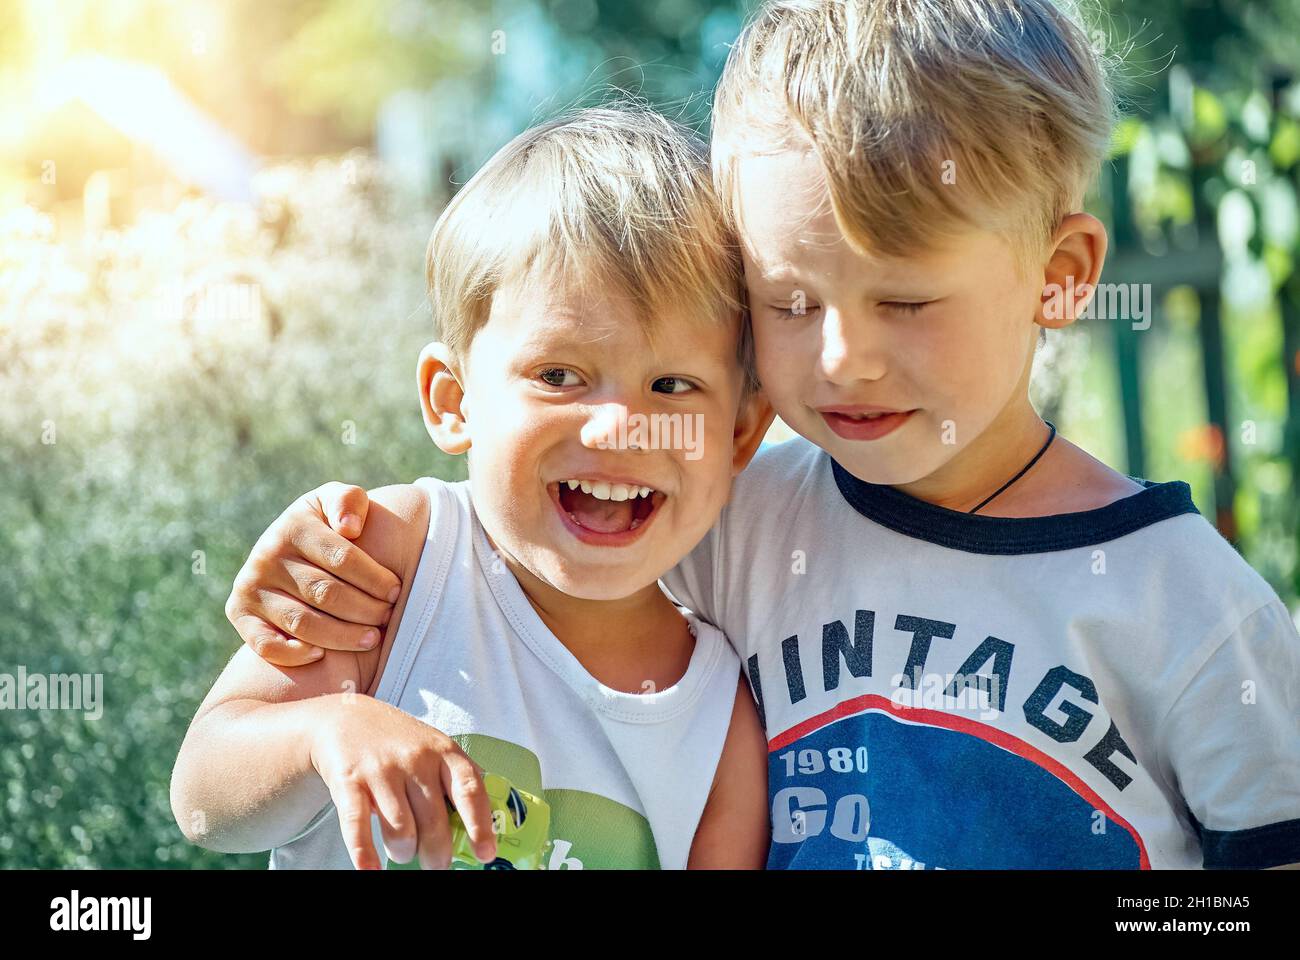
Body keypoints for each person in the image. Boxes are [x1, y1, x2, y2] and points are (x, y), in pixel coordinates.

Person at [220, 0, 1300, 869]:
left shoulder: (1186, 606)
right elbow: (521, 524)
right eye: (787, 302)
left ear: (1060, 278)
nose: (841, 358)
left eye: (906, 303)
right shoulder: (739, 517)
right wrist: (333, 546)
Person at [170, 106, 773, 870]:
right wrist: (326, 731)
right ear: (453, 402)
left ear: (741, 435)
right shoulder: (399, 555)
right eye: (559, 376)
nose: (619, 428)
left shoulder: (722, 724)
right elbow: (203, 800)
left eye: (672, 384)